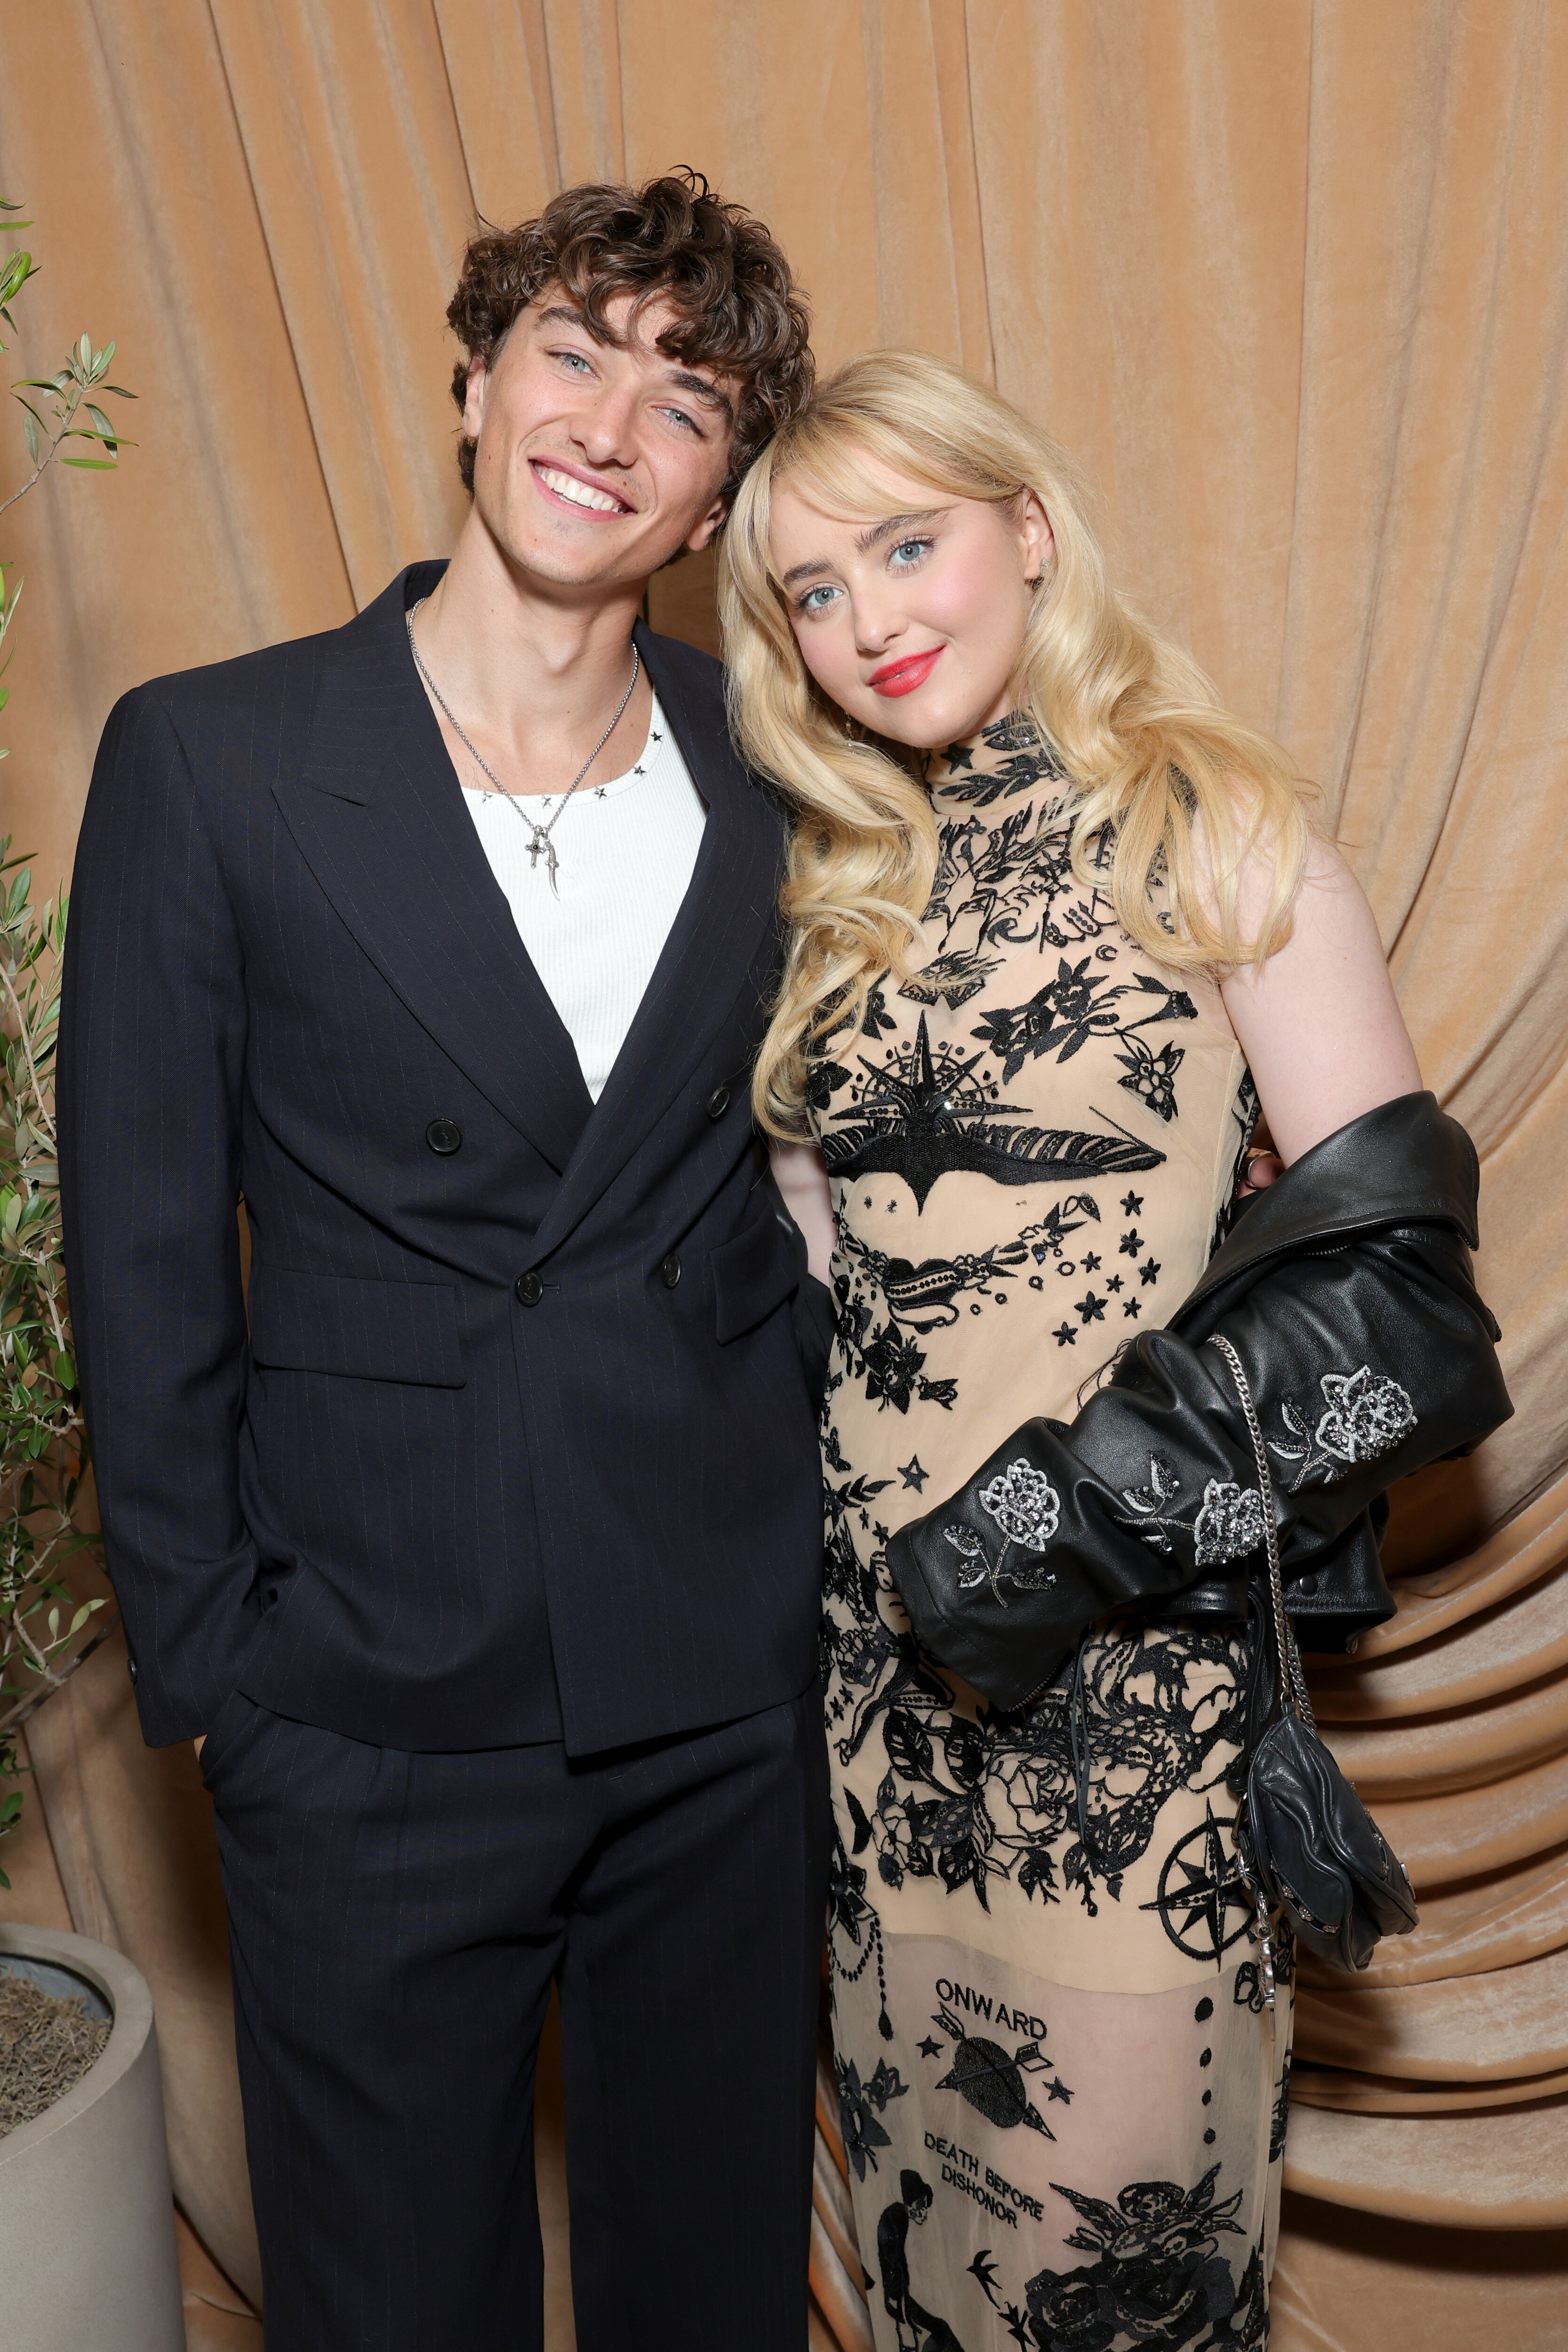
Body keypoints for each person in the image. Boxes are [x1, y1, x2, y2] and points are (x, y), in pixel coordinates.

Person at [59, 174, 832, 2351]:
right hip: (367, 1697)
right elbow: (140, 1258)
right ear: (476, 382)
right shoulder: (215, 757)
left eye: (684, 399)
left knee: (713, 2299)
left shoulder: (779, 781)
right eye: (573, 352)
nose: (611, 423)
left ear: (715, 499)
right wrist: (230, 1681)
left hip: (715, 1681)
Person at [720, 350, 1510, 2349]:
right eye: (815, 588)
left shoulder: (1213, 831)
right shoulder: (835, 894)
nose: (871, 618)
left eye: (909, 545)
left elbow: (1408, 1309)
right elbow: (831, 1304)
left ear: (1030, 529)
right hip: (872, 1711)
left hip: (1132, 1698)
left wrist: (1041, 1539)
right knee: (926, 2256)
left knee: (1108, 2283)